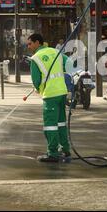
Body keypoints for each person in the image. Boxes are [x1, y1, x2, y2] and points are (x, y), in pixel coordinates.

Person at [27, 33, 71, 163]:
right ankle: (65, 149)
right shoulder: (55, 51)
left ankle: (52, 153)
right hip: (62, 92)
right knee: (61, 122)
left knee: (50, 125)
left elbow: (36, 80)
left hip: (50, 95)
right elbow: (69, 63)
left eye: (30, 43)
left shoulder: (35, 58)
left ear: (37, 43)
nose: (28, 46)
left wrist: (38, 89)